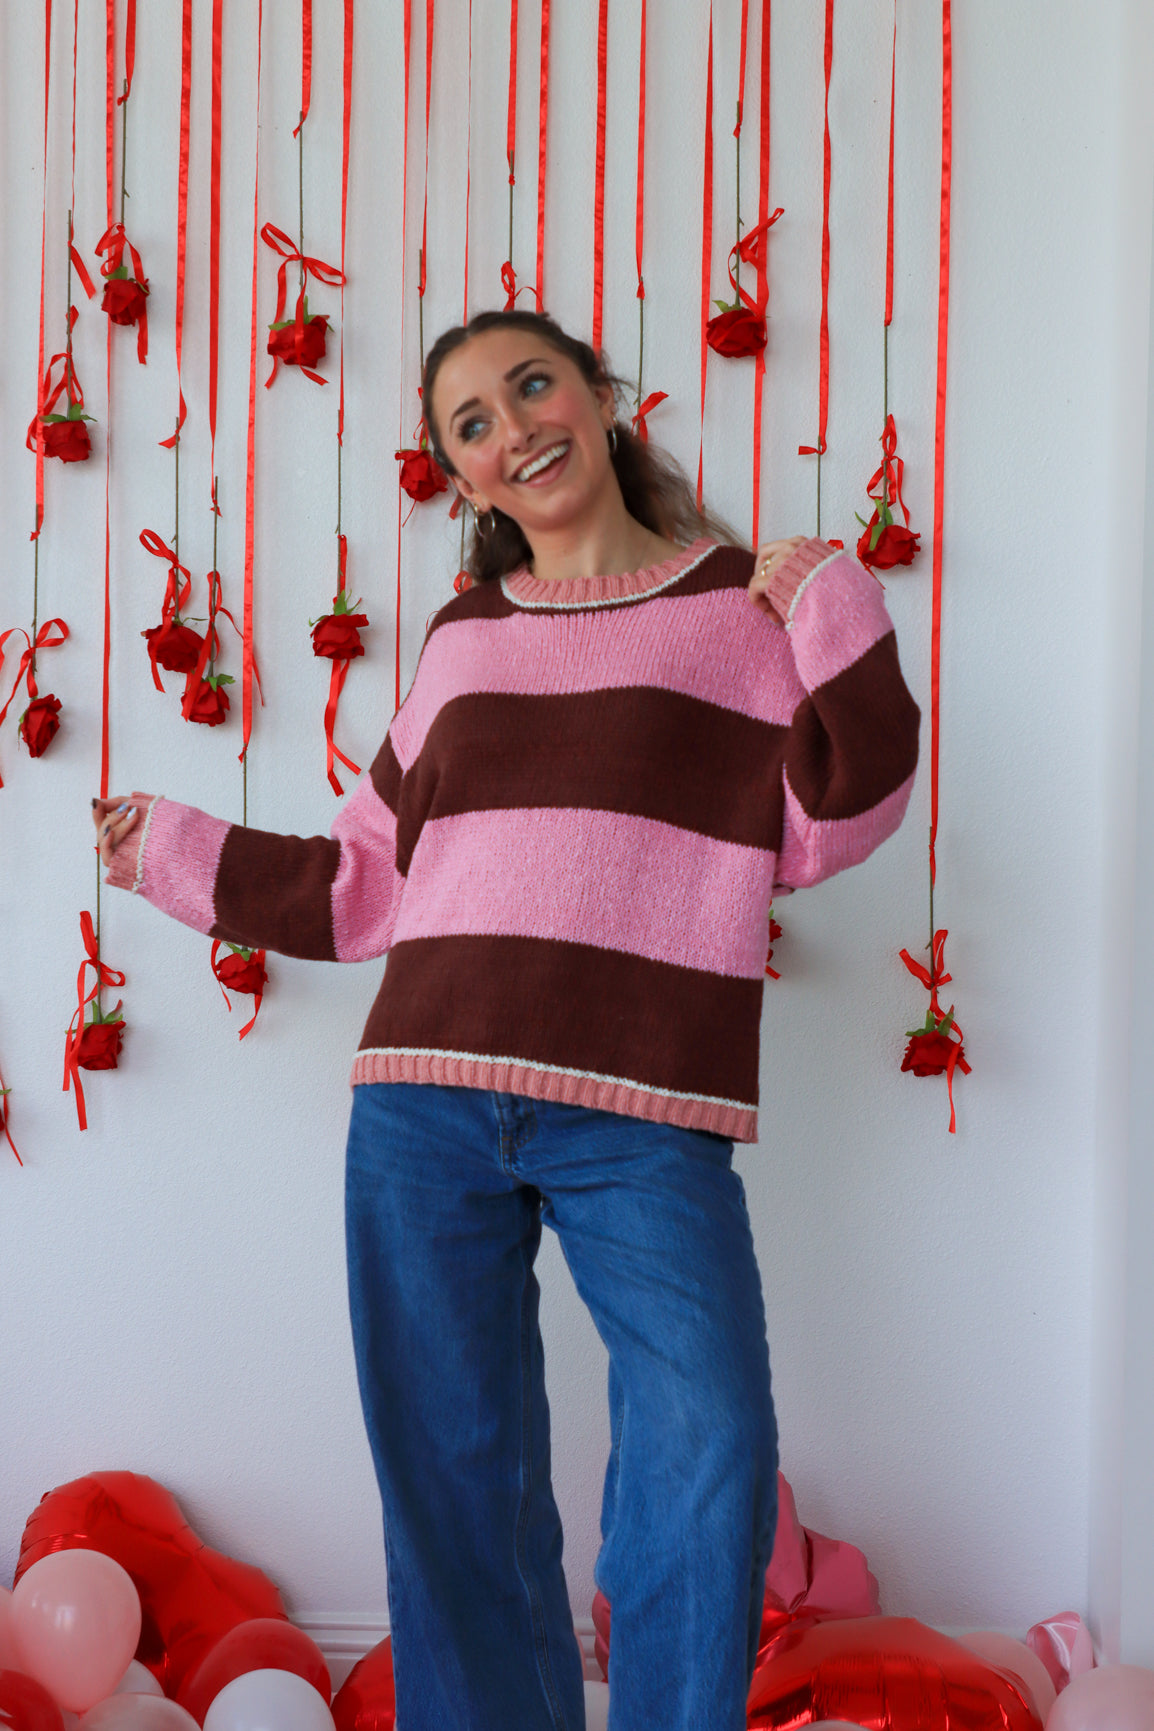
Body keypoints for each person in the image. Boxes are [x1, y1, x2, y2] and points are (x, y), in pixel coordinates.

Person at [94, 308, 920, 1731]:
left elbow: (842, 816)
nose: (510, 427)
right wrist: (167, 848)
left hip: (645, 1110)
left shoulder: (739, 611)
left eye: (530, 386)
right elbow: (361, 887)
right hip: (424, 1106)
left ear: (600, 401)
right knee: (454, 1479)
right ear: (463, 480)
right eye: (469, 423)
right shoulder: (465, 639)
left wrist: (833, 602)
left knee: (708, 1445)